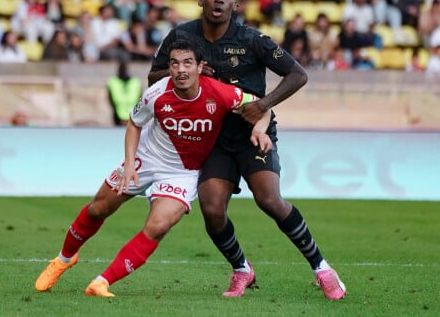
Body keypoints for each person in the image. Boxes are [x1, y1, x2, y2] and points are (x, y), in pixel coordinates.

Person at [148, 0, 346, 300]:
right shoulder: (181, 35)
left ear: (234, 4)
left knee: (269, 199)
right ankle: (241, 269)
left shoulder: (252, 39)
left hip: (253, 131)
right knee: (212, 209)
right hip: (211, 137)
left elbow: (298, 74)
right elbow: (153, 75)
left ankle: (322, 268)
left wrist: (264, 105)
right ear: (201, 0)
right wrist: (188, 72)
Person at [34, 38, 272, 296]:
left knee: (158, 226)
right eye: (175, 64)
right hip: (147, 157)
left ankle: (101, 282)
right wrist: (129, 164)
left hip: (183, 172)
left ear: (200, 67)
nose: (181, 70)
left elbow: (263, 107)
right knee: (97, 209)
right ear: (169, 67)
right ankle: (64, 259)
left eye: (187, 63)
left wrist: (260, 130)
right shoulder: (156, 94)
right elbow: (134, 123)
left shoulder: (221, 93)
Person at [107, 61, 142, 126]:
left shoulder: (135, 82)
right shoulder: (113, 82)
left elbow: (140, 100)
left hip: (129, 116)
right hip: (120, 116)